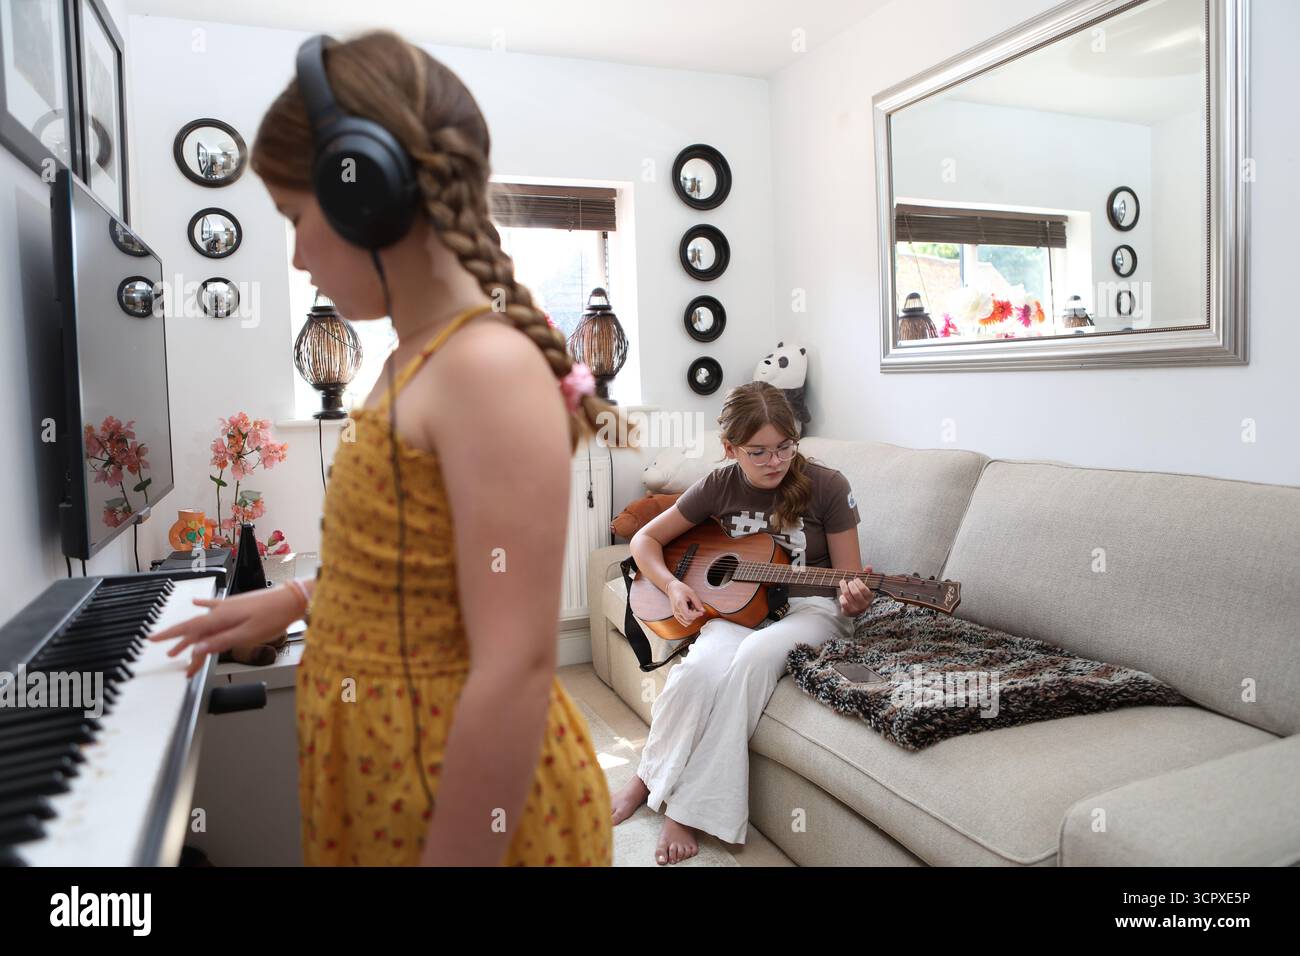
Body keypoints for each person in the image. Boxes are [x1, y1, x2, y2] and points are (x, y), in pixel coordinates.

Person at [150, 30, 613, 866]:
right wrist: (296, 602)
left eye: (296, 216)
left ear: (367, 193)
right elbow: (421, 565)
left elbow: (514, 667)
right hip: (384, 777)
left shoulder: (484, 368)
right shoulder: (411, 357)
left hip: (459, 804)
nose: (294, 254)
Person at [611, 381, 875, 864]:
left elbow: (849, 578)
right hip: (741, 608)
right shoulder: (719, 483)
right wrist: (672, 585)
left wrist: (855, 600)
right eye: (758, 452)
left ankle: (688, 809)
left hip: (812, 611)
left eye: (784, 447)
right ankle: (645, 778)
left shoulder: (829, 485)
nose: (775, 462)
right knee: (698, 669)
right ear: (730, 448)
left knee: (752, 659)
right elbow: (644, 540)